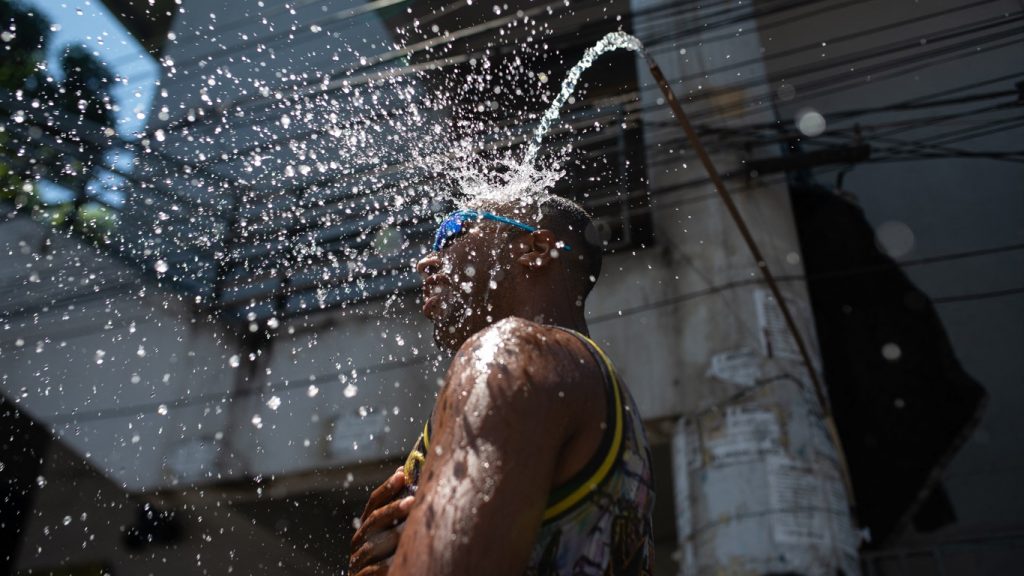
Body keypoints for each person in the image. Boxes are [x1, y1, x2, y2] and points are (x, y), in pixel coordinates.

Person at [348, 196, 655, 575]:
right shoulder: (606, 401)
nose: (426, 262)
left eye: (454, 231)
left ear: (536, 249)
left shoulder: (511, 353)